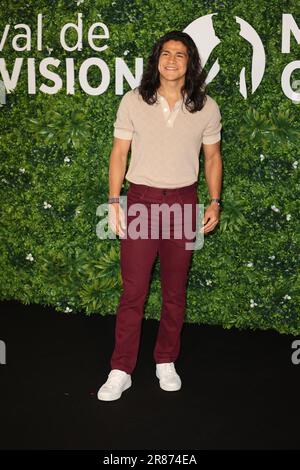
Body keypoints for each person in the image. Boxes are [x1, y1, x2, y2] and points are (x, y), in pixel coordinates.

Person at [97, 30, 222, 401]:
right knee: (133, 291)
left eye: (180, 55)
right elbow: (119, 153)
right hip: (139, 202)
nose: (171, 60)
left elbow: (213, 158)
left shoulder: (207, 107)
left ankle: (165, 360)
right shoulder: (134, 101)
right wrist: (114, 201)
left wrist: (215, 202)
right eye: (165, 53)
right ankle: (121, 369)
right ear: (156, 60)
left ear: (190, 63)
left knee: (175, 290)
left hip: (185, 203)